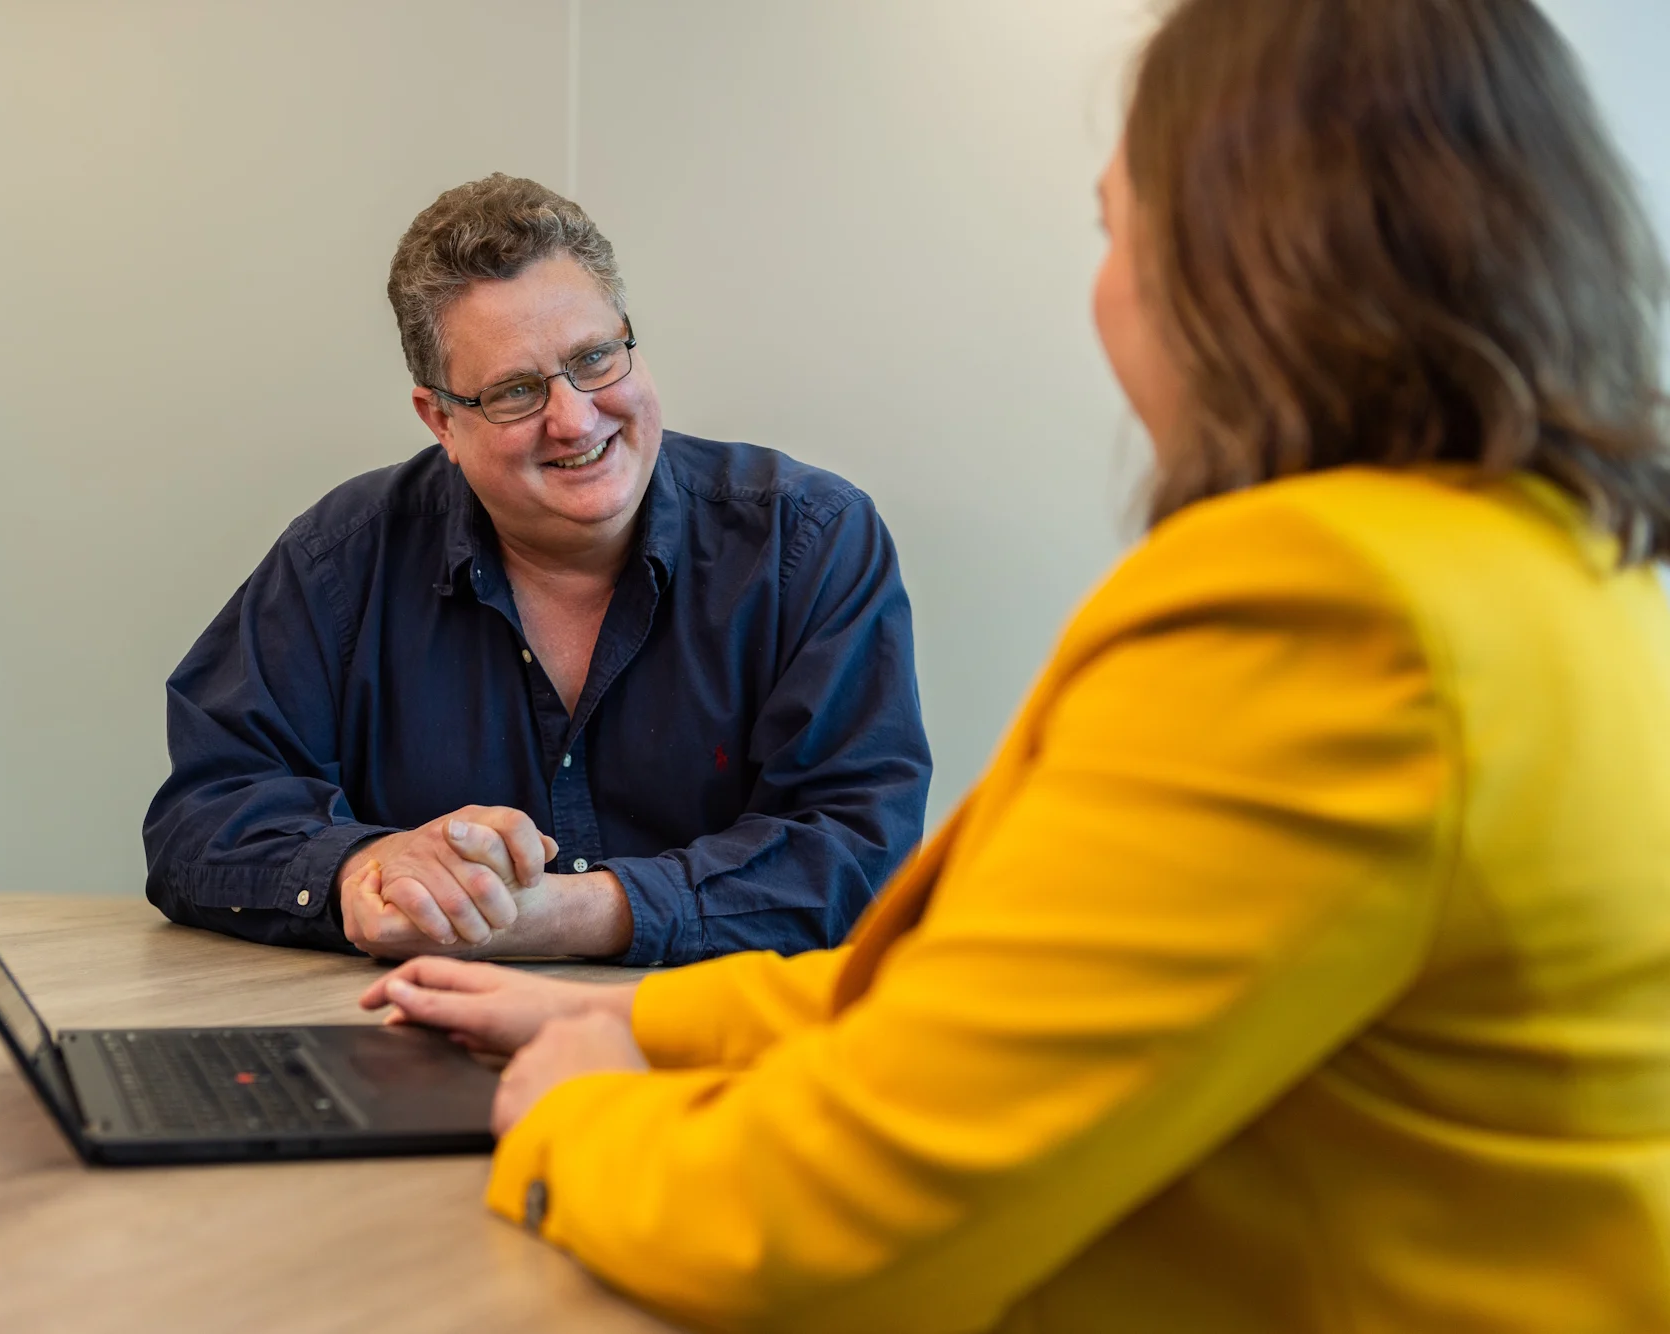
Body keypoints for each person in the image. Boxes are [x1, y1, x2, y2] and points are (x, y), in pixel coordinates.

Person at [358, 0, 1670, 1327]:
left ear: (1249, 254)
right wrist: (645, 1024)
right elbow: (992, 986)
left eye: (1113, 228)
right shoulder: (1557, 576)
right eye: (521, 390)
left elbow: (843, 1223)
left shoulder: (1329, 614)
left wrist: (578, 1113)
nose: (573, 417)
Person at [142, 175, 930, 966]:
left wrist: (567, 914)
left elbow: (857, 852)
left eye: (594, 358)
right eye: (516, 392)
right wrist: (360, 872)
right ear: (440, 419)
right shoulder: (341, 562)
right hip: (411, 1052)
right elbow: (202, 815)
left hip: (721, 1053)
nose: (576, 419)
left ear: (629, 338)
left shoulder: (809, 542)